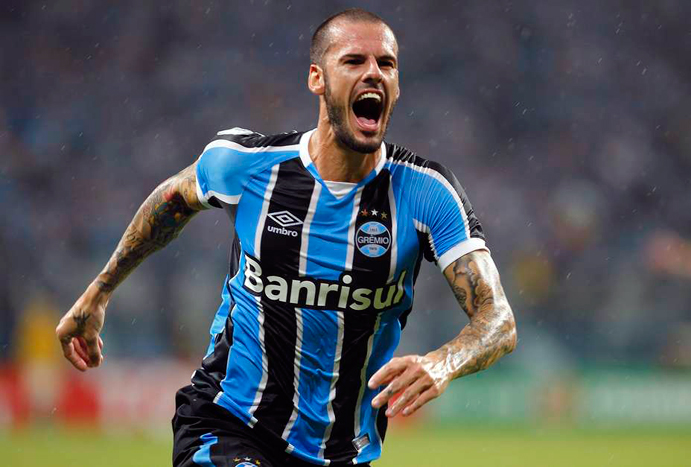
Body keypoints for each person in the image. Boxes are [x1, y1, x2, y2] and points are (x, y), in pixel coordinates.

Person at [56, 8, 517, 467]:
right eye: (354, 61)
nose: (374, 73)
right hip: (228, 422)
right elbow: (171, 200)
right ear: (317, 79)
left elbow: (498, 319)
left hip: (343, 452)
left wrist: (444, 361)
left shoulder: (426, 193)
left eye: (387, 64)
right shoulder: (248, 164)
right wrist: (99, 292)